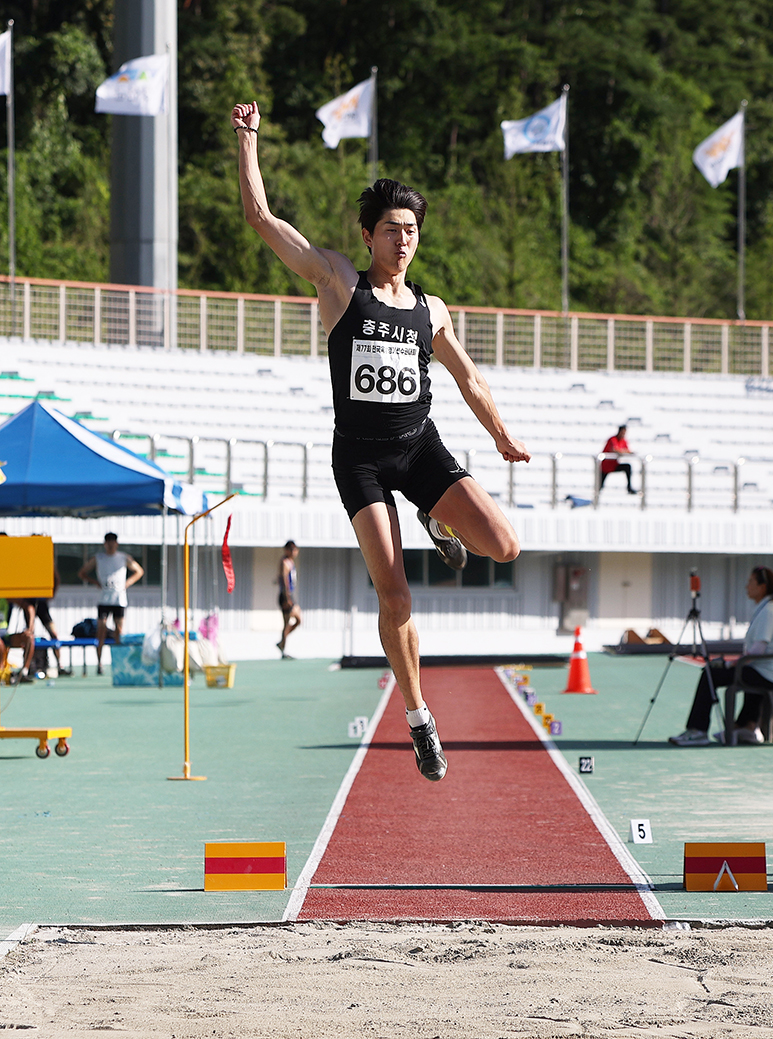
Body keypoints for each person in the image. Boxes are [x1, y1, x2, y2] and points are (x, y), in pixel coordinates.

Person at [232, 99, 530, 782]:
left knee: (506, 544)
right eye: (393, 229)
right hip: (360, 456)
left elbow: (469, 376)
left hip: (418, 445)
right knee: (395, 596)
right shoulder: (339, 283)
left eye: (413, 230)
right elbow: (261, 220)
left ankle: (432, 511)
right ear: (368, 235)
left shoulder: (432, 310)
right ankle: (420, 718)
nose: (405, 241)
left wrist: (504, 436)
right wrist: (248, 141)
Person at [669, 566, 773, 747]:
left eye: (751, 582)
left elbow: (757, 651)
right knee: (730, 671)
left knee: (710, 673)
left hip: (767, 674)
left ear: (762, 587)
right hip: (764, 670)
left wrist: (731, 665)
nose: (746, 586)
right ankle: (746, 727)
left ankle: (698, 730)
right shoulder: (766, 608)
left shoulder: (768, 611)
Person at [78, 533, 144, 675]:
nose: (110, 545)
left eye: (113, 542)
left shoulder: (123, 557)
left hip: (119, 600)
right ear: (105, 544)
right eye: (108, 542)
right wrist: (95, 582)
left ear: (116, 543)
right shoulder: (99, 558)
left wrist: (127, 583)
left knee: (118, 631)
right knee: (101, 630)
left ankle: (119, 663)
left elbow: (139, 571)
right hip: (104, 600)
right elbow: (82, 572)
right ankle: (99, 663)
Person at [0, 596, 35, 683]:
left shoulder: (5, 598)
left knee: (29, 638)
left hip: (4, 634)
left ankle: (24, 673)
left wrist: (30, 629)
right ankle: (1, 671)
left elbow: (29, 608)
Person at [277, 541, 302, 657]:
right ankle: (283, 648)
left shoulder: (291, 562)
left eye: (295, 549)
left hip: (290, 594)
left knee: (297, 620)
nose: (294, 552)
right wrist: (287, 598)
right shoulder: (285, 562)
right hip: (286, 596)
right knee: (287, 622)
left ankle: (282, 644)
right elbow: (285, 580)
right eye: (292, 550)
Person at [599, 425, 636, 494]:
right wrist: (623, 451)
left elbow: (627, 450)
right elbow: (614, 450)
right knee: (600, 485)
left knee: (627, 467)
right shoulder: (613, 439)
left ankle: (629, 488)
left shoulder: (623, 441)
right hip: (606, 466)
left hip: (614, 464)